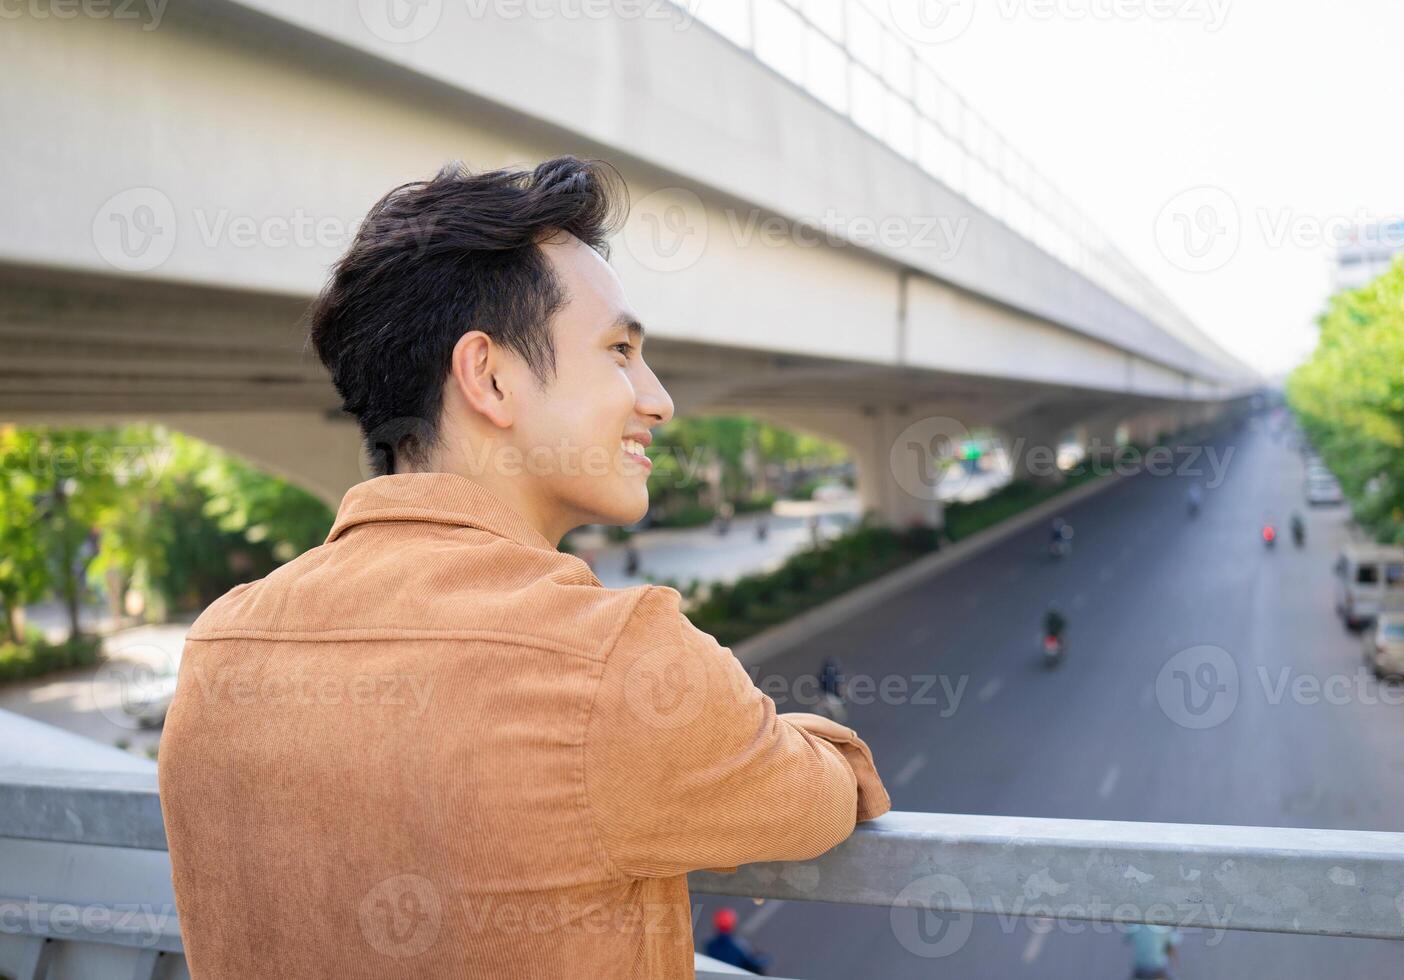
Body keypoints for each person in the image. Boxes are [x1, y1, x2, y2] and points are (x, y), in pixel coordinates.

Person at [157, 157, 891, 980]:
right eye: (619, 350)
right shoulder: (613, 657)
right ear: (491, 377)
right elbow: (827, 795)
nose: (658, 398)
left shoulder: (219, 650)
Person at [703, 908, 770, 975]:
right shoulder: (738, 946)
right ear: (732, 924)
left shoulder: (710, 946)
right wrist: (762, 959)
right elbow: (753, 963)